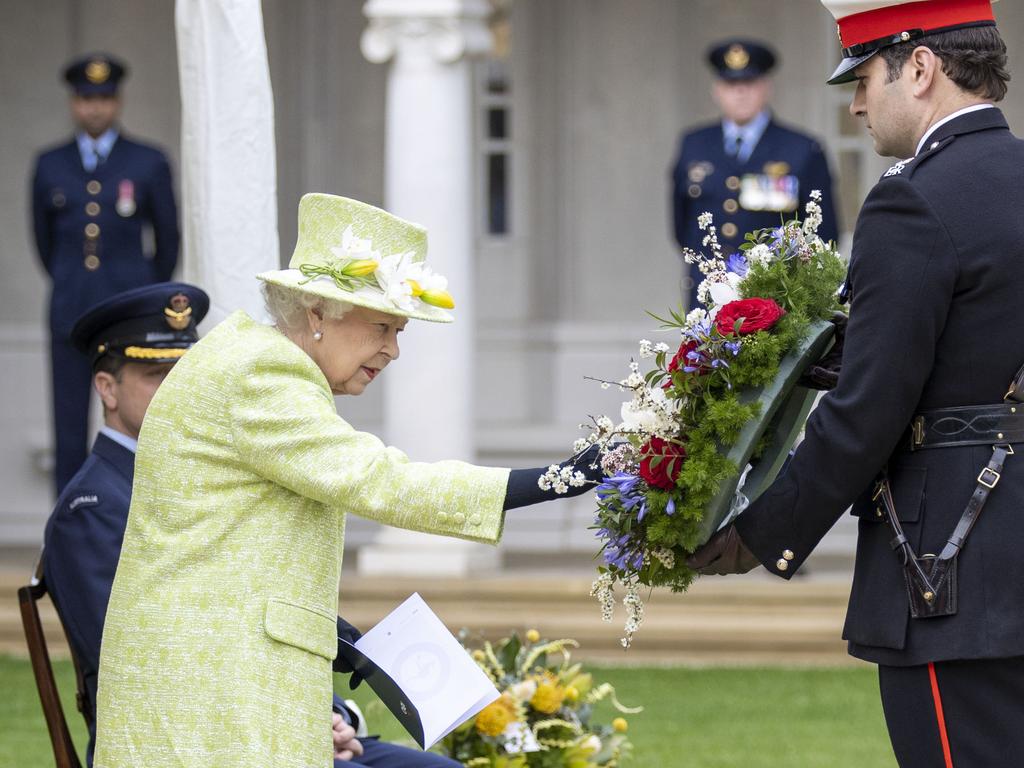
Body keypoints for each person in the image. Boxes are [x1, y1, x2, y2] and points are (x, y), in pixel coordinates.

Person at [93, 194, 600, 768]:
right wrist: (557, 480)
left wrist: (332, 634)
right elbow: (377, 479)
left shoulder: (250, 360)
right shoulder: (264, 371)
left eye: (400, 329)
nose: (394, 350)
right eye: (383, 326)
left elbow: (230, 536)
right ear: (316, 313)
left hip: (210, 672)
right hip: (209, 686)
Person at [687, 1, 1022, 765]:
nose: (858, 103)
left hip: (954, 574)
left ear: (922, 68)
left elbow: (870, 409)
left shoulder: (913, 199)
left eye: (866, 78)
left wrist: (758, 530)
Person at [43, 282, 455, 768]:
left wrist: (335, 714)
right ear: (107, 388)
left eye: (185, 370)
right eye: (159, 375)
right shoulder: (93, 505)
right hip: (187, 734)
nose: (179, 385)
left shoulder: (214, 473)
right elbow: (148, 648)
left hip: (274, 715)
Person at [31, 53, 180, 495]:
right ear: (73, 103)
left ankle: (137, 521)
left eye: (104, 98)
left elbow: (167, 242)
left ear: (118, 101)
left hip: (129, 316)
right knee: (69, 425)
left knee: (139, 418)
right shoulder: (49, 164)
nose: (94, 107)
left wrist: (143, 295)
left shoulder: (148, 161)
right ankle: (69, 532)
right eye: (85, 98)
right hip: (70, 312)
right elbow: (43, 242)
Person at [670, 38, 839, 309]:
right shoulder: (693, 144)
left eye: (749, 84)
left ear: (766, 87)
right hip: (707, 300)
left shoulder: (803, 149)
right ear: (716, 90)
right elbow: (681, 226)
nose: (740, 93)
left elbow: (824, 232)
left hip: (775, 302)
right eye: (731, 85)